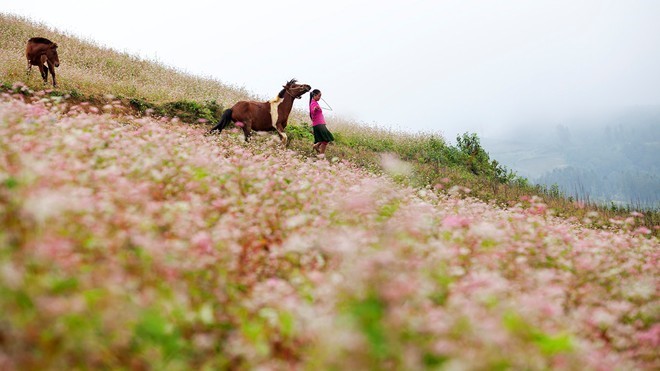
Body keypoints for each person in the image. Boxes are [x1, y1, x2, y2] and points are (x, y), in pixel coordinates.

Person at [309, 89, 334, 158]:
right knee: (326, 139)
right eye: (319, 96)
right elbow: (312, 111)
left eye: (320, 96)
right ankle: (321, 155)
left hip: (320, 123)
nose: (320, 97)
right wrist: (314, 109)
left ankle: (317, 147)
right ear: (314, 95)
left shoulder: (315, 103)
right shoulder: (313, 103)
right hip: (319, 124)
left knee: (325, 139)